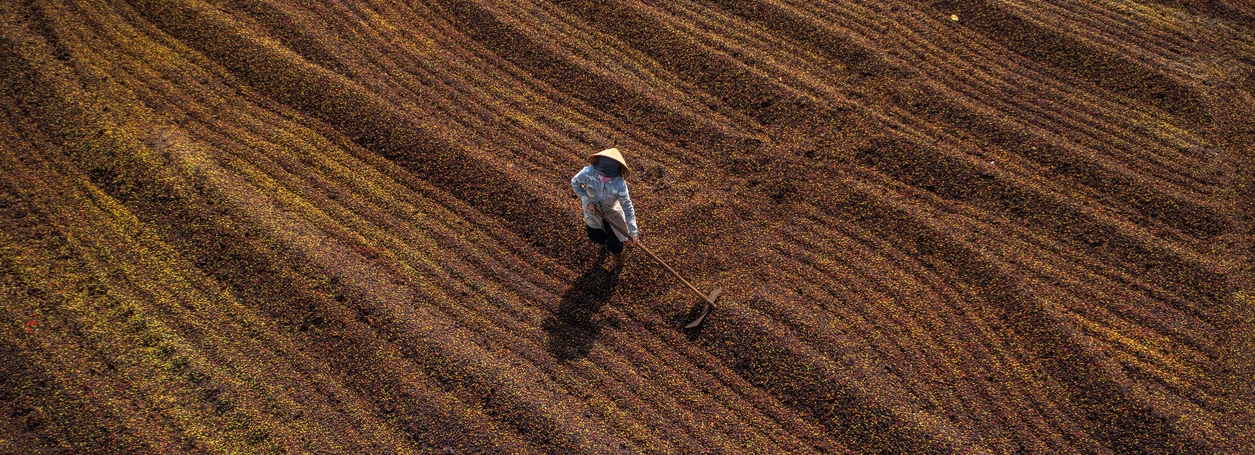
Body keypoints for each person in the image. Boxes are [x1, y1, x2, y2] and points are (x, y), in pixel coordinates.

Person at [571, 148, 639, 271]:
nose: (603, 178)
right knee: (595, 237)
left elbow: (627, 207)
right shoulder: (587, 173)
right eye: (601, 174)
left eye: (607, 177)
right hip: (593, 213)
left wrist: (633, 232)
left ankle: (619, 260)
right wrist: (587, 201)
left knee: (616, 243)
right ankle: (608, 242)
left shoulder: (620, 184)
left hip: (612, 214)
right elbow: (575, 183)